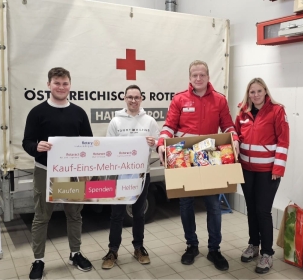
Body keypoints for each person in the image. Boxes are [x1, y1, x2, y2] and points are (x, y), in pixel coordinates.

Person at [157, 60, 239, 271]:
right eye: (195, 75)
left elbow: (228, 125)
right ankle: (191, 246)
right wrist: (161, 144)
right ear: (190, 77)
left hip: (211, 157)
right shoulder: (179, 99)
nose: (198, 78)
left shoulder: (219, 100)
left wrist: (235, 139)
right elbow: (168, 126)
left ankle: (214, 249)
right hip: (184, 158)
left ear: (208, 76)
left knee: (213, 205)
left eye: (202, 74)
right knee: (186, 205)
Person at [22, 67, 93, 280]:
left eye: (65, 83)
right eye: (57, 83)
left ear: (70, 85)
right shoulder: (37, 112)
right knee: (42, 217)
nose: (61, 87)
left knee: (74, 214)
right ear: (49, 85)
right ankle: (38, 260)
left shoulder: (79, 112)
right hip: (45, 171)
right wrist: (36, 147)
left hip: (72, 173)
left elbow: (88, 142)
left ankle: (75, 253)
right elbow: (26, 142)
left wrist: (87, 169)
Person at [101, 84, 160, 269]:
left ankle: (139, 247)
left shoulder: (149, 121)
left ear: (141, 99)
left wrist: (154, 142)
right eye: (130, 97)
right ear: (125, 98)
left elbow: (159, 145)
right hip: (120, 176)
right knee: (116, 215)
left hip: (142, 175)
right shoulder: (116, 122)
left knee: (138, 214)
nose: (133, 100)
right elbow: (109, 148)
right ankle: (113, 250)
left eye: (137, 97)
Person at [235, 78, 289, 274]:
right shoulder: (242, 112)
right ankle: (253, 245)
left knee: (263, 211)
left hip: (267, 172)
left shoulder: (277, 110)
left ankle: (267, 253)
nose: (255, 95)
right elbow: (236, 136)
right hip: (247, 169)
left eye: (259, 91)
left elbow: (283, 141)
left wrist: (278, 168)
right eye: (252, 92)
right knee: (251, 209)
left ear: (265, 91)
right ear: (248, 94)